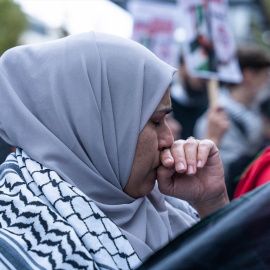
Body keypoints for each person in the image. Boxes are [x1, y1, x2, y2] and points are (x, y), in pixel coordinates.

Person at [0, 31, 229, 269]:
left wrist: (212, 203)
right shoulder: (24, 244)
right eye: (156, 122)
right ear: (94, 124)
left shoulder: (167, 206)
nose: (168, 140)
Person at [194, 46, 270, 199]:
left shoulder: (254, 114)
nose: (268, 82)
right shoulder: (216, 119)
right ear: (249, 76)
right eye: (265, 75)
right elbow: (228, 174)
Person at [170, 55, 208, 139]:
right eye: (195, 66)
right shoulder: (167, 103)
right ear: (181, 69)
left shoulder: (208, 106)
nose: (200, 75)